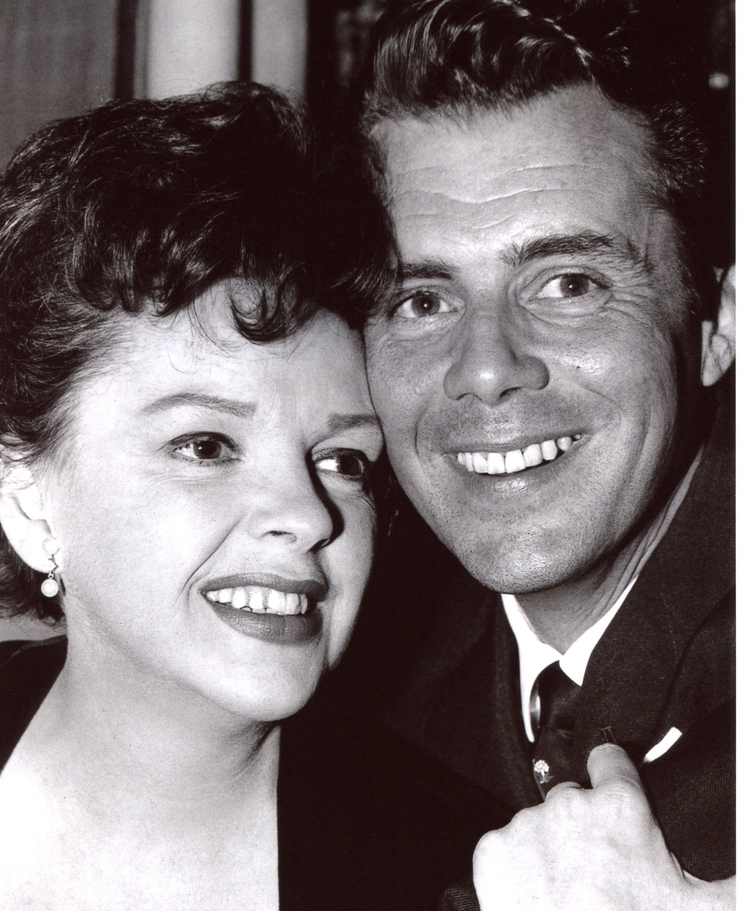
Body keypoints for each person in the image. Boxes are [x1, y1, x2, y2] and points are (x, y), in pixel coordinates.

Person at [0, 82, 506, 911]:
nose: (308, 516)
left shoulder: (463, 880)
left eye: (343, 460)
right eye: (206, 445)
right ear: (25, 496)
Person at [352, 0, 735, 907]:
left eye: (568, 283)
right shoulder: (353, 688)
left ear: (715, 324)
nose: (486, 371)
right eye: (423, 300)